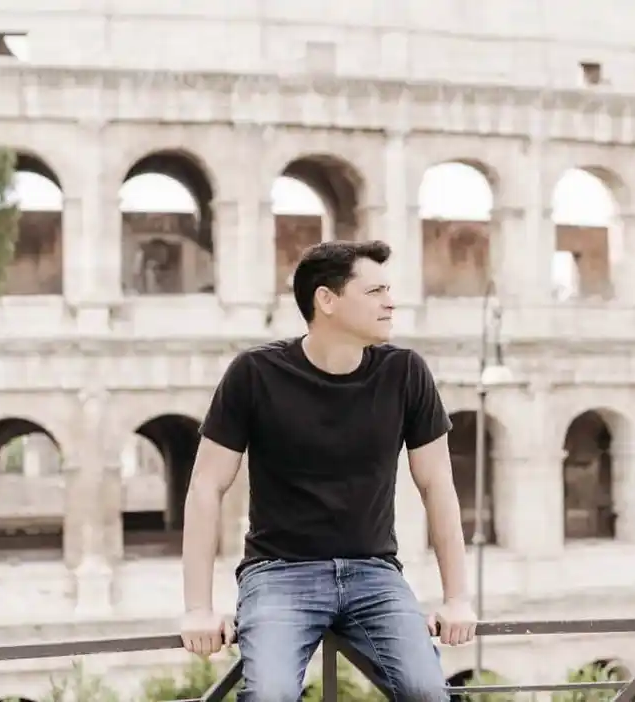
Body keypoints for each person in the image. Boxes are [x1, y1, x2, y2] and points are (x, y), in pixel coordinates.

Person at [179, 239, 476, 702]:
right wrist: (198, 608)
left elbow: (437, 484)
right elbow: (206, 485)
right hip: (278, 575)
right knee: (270, 696)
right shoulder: (254, 372)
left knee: (426, 691)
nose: (390, 302)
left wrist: (456, 598)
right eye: (375, 291)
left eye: (388, 290)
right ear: (327, 299)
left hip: (374, 574)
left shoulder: (405, 372)